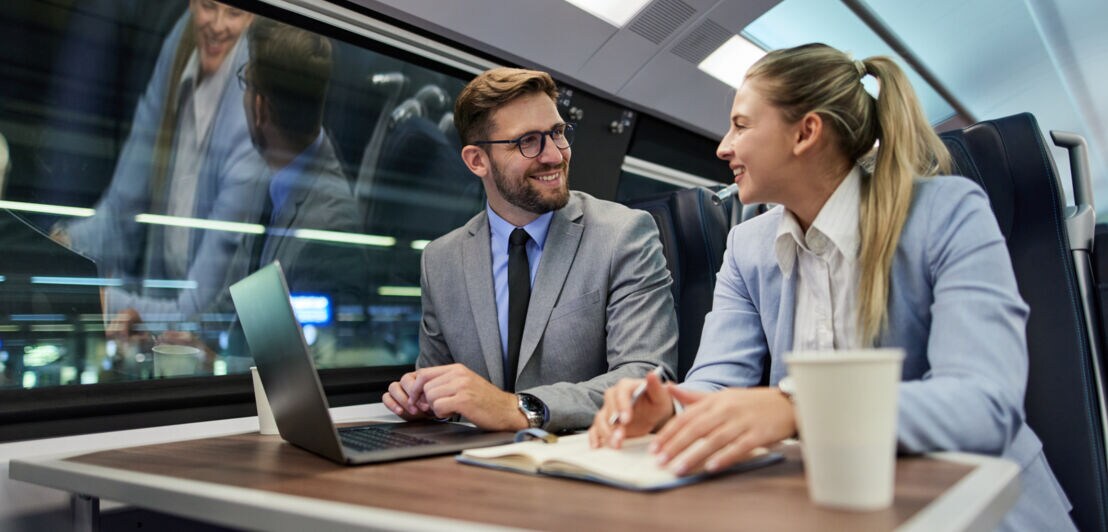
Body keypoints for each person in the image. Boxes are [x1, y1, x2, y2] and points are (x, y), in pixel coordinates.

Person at [588, 43, 1072, 530]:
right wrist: (669, 406)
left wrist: (798, 410)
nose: (723, 147)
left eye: (741, 124)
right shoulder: (748, 247)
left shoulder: (947, 213)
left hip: (978, 509)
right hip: (832, 507)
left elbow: (982, 405)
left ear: (806, 132)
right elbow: (716, 382)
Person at [382, 67, 678, 433]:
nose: (554, 156)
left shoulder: (623, 235)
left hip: (582, 460)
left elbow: (645, 378)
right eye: (528, 141)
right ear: (477, 161)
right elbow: (437, 378)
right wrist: (423, 397)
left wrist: (519, 409)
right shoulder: (441, 259)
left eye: (557, 133)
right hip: (477, 466)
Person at [53, 0, 265, 320]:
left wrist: (106, 301)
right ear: (192, 2)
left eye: (235, 12)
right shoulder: (182, 41)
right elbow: (120, 210)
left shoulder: (254, 95)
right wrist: (62, 245)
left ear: (253, 16)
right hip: (157, 321)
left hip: (208, 337)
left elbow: (203, 310)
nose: (218, 25)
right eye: (209, 6)